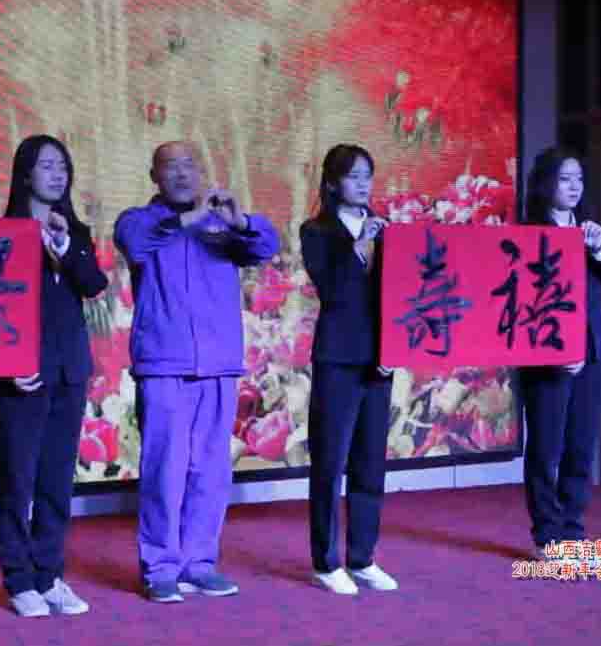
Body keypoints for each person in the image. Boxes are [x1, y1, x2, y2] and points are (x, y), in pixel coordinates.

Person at [114, 140, 280, 603]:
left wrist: (239, 221)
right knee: (164, 471)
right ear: (154, 176)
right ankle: (160, 568)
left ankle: (199, 563)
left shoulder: (221, 224)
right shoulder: (138, 221)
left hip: (218, 365)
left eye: (190, 165)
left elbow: (266, 245)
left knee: (210, 470)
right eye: (171, 166)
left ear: (202, 172)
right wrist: (190, 219)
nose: (182, 174)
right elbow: (135, 243)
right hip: (164, 364)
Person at [0, 135, 109, 617]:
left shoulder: (73, 232)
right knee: (18, 481)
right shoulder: (3, 234)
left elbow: (94, 285)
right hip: (22, 375)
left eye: (63, 166)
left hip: (69, 371)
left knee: (57, 481)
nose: (58, 174)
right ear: (25, 174)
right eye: (47, 166)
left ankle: (49, 575)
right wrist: (7, 365)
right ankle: (19, 580)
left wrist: (64, 243)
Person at [519, 147, 601, 560]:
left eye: (578, 179)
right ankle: (547, 535)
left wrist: (599, 250)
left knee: (581, 448)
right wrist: (553, 352)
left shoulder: (589, 232)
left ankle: (573, 531)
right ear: (546, 183)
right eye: (565, 179)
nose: (573, 187)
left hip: (592, 353)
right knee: (546, 449)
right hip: (547, 357)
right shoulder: (528, 233)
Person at [299, 144, 398, 595]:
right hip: (338, 357)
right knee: (330, 462)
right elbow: (331, 289)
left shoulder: (388, 229)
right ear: (333, 182)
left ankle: (363, 558)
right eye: (354, 176)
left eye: (367, 176)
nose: (363, 184)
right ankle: (326, 561)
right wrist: (358, 248)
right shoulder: (317, 231)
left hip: (380, 359)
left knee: (370, 464)